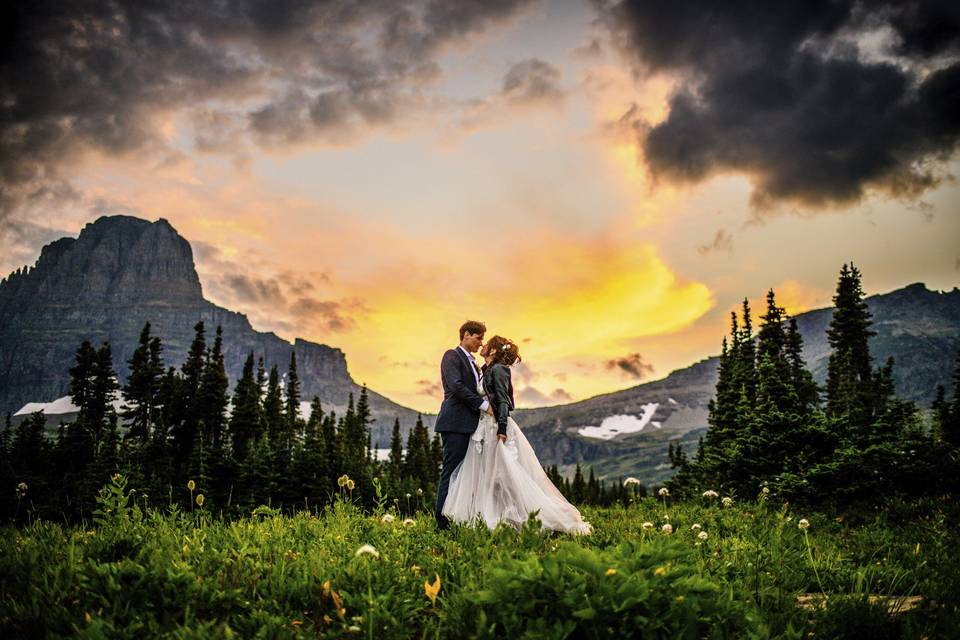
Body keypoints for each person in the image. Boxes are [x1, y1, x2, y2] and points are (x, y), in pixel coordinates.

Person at [441, 334, 592, 535]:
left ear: (493, 350)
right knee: (489, 475)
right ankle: (494, 514)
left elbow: (504, 401)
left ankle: (530, 516)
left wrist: (502, 429)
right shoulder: (487, 369)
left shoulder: (499, 370)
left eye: (487, 344)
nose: (483, 346)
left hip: (496, 428)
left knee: (503, 475)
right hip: (483, 428)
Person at [434, 320, 494, 530]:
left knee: (464, 472)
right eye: (478, 338)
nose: (480, 343)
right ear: (467, 335)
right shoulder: (451, 355)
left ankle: (459, 517)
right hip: (455, 422)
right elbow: (456, 386)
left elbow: (476, 384)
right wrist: (483, 405)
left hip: (470, 425)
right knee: (451, 471)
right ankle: (442, 521)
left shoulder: (473, 362)